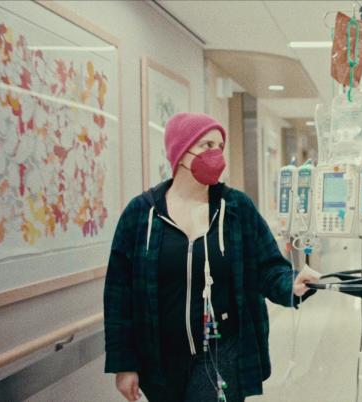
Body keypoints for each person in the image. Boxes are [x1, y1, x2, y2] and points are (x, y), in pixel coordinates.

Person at [103, 112, 318, 401]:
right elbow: (119, 294)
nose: (216, 154)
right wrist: (124, 364)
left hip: (221, 351)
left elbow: (268, 266)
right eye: (206, 145)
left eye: (219, 146)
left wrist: (291, 283)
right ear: (181, 152)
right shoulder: (142, 214)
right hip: (161, 358)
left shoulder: (236, 209)